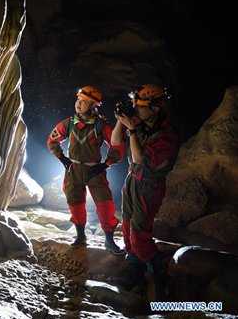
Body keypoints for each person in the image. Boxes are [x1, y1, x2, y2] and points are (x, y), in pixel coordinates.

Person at [111, 84, 179, 298]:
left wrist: (131, 129)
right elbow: (114, 142)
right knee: (127, 228)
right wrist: (120, 121)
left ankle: (160, 276)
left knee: (140, 233)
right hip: (132, 181)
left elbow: (140, 158)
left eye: (139, 106)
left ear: (155, 108)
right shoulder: (141, 123)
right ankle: (136, 269)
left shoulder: (166, 136)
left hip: (149, 186)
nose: (136, 110)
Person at [47, 85, 124, 255]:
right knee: (75, 202)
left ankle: (109, 241)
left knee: (105, 204)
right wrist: (63, 159)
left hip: (94, 170)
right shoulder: (69, 124)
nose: (79, 104)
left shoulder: (100, 125)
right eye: (78, 100)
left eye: (84, 101)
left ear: (94, 105)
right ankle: (80, 236)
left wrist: (106, 163)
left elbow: (117, 145)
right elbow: (52, 141)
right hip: (73, 169)